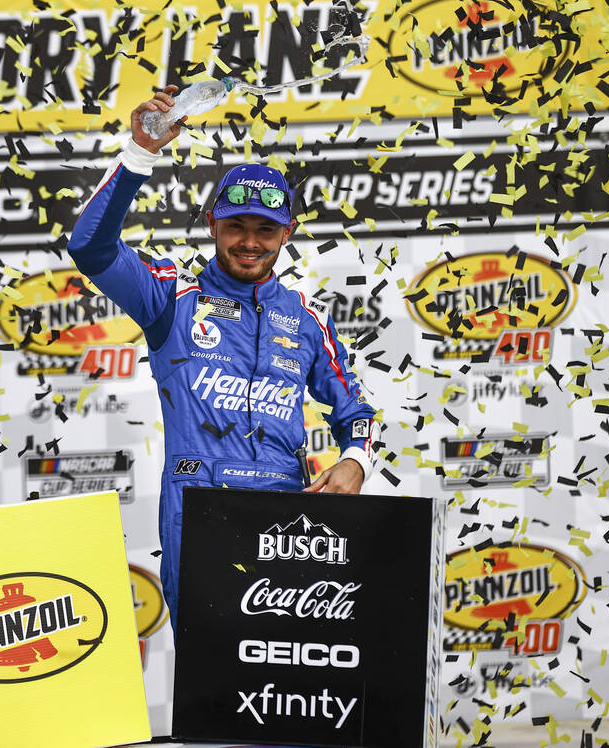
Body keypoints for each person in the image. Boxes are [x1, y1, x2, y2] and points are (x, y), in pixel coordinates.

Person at [67, 86, 378, 630]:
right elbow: (91, 247)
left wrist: (355, 461)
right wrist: (140, 155)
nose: (249, 242)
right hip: (198, 508)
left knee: (290, 677)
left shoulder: (306, 319)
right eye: (236, 226)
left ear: (289, 233)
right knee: (210, 683)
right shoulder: (169, 296)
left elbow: (356, 415)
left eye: (265, 230)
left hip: (289, 512)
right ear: (212, 223)